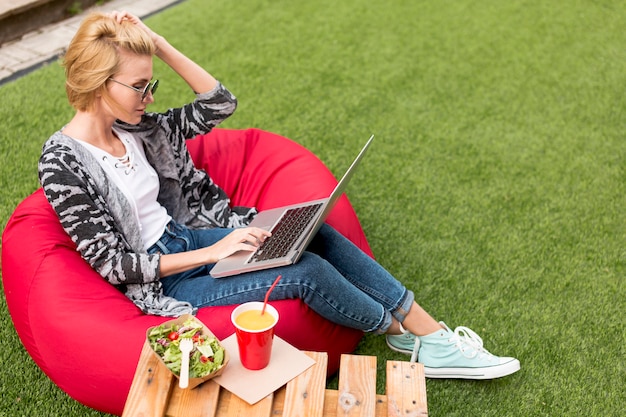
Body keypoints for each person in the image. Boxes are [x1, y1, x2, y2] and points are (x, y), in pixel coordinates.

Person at [38, 10, 520, 380]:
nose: (150, 96)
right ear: (99, 82)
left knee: (313, 231)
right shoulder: (62, 163)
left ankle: (432, 333)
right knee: (305, 271)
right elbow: (113, 265)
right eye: (140, 86)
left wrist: (158, 45)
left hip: (192, 237)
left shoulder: (139, 128)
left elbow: (219, 103)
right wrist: (216, 250)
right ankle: (410, 339)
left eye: (151, 83)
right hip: (169, 280)